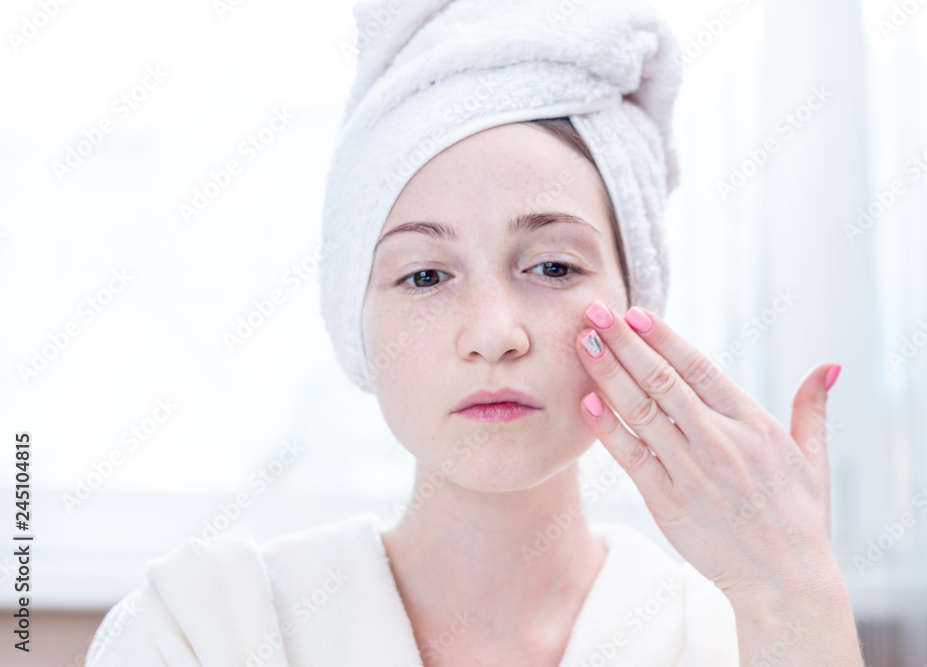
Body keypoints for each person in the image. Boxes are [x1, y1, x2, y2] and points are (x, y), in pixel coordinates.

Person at [86, 0, 866, 665]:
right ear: (352, 317)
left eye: (554, 267)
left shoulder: (728, 637)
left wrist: (796, 596)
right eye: (425, 275)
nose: (494, 334)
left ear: (638, 301)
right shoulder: (205, 628)